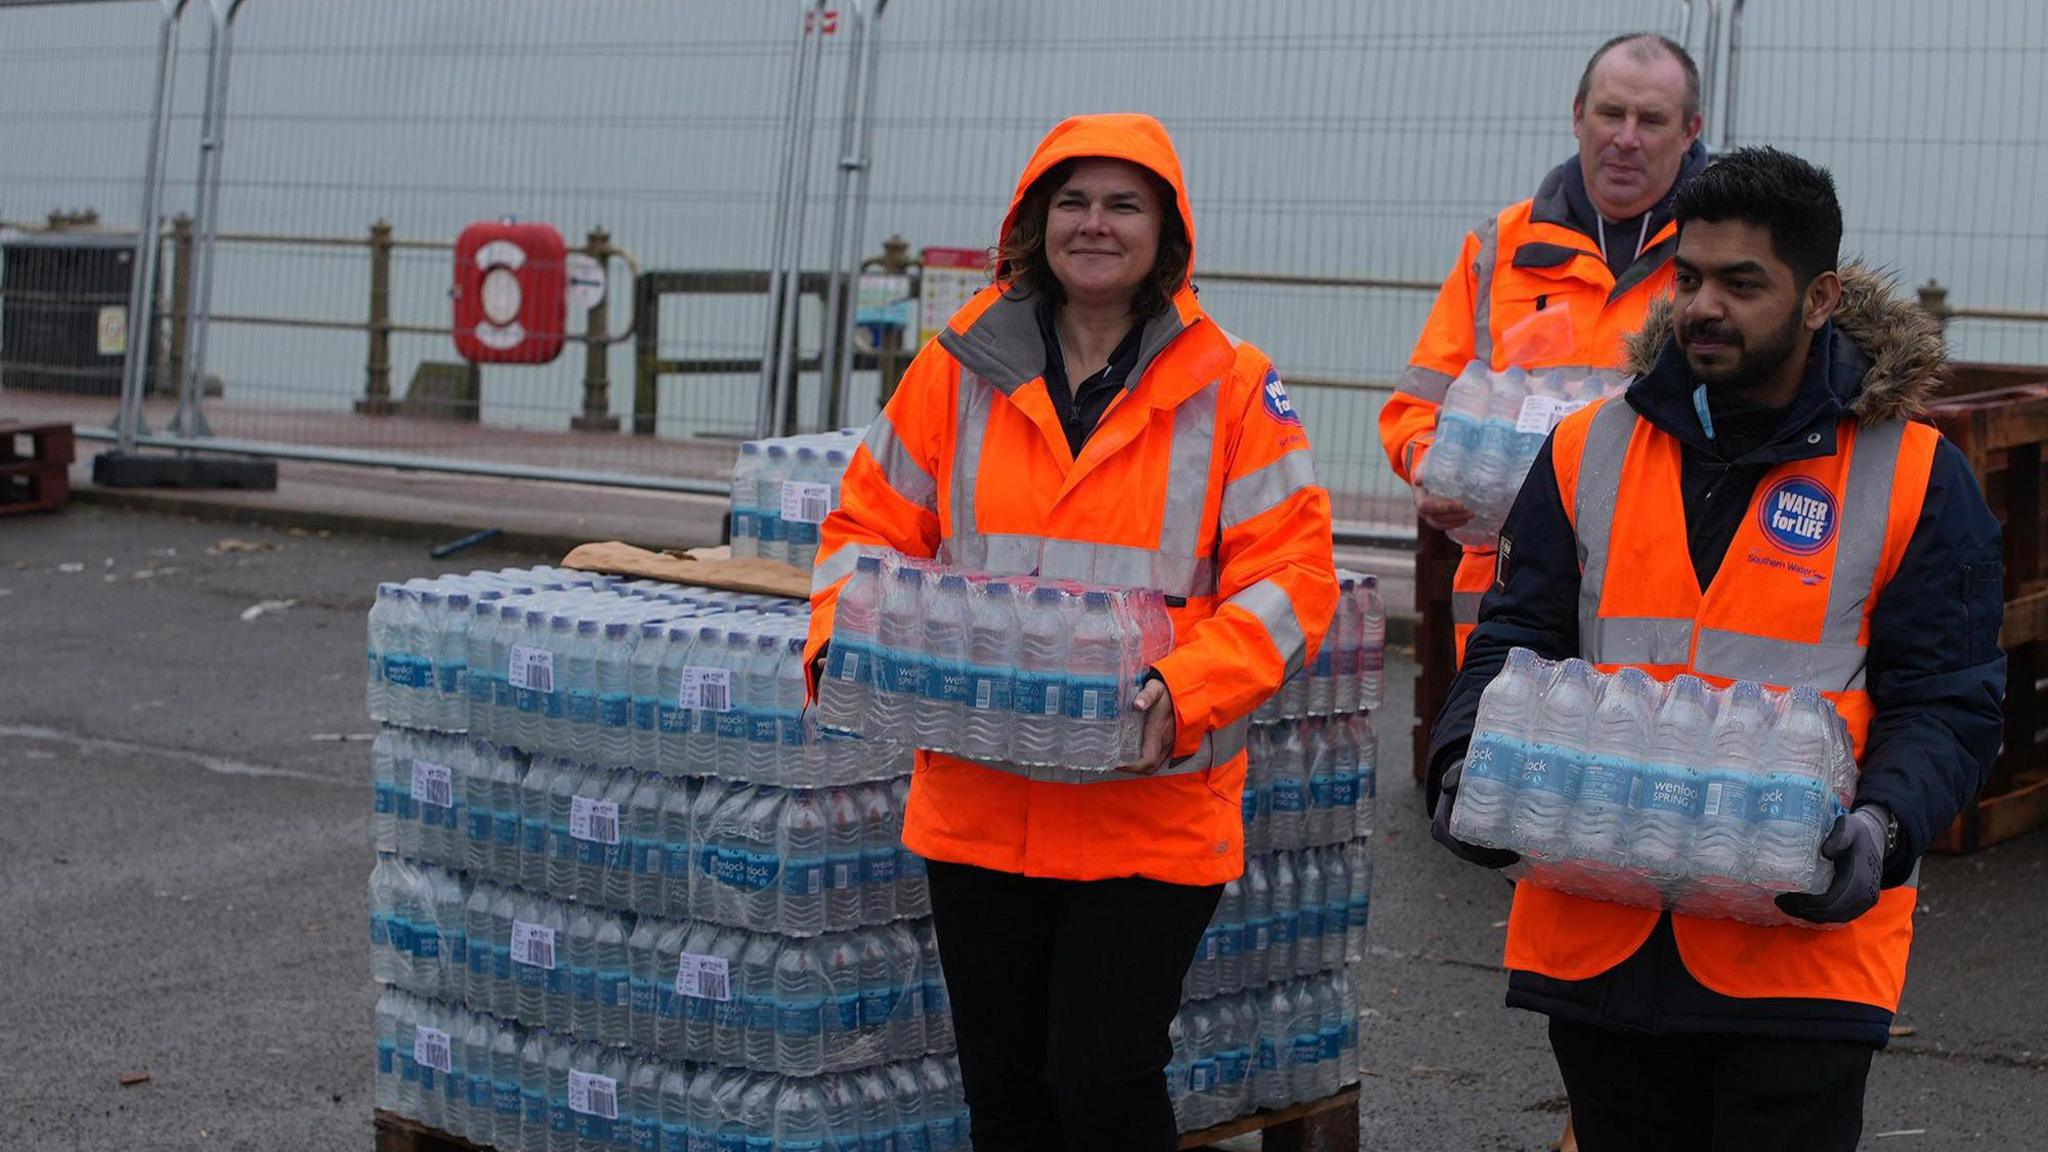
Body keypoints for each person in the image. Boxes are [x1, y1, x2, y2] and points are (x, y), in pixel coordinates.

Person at [1426, 147, 2007, 1151]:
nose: (1702, 306)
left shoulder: (1913, 474)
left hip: (1797, 950)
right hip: (1598, 929)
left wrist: (1879, 829)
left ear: (1816, 296)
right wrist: (1458, 757)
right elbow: (1519, 632)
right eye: (1687, 278)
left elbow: (1946, 701)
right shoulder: (1585, 446)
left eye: (1741, 284)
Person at [803, 113, 1338, 1152]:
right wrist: (838, 637)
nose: (1094, 225)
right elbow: (862, 525)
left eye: (1122, 205)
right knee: (1005, 1100)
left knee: (1100, 1081)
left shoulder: (1229, 386)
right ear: (1033, 222)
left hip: (1149, 802)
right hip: (979, 798)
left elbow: (1290, 576)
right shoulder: (955, 367)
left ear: (1165, 231)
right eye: (1072, 203)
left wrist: (1191, 687)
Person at [1380, 33, 1710, 663]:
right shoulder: (1500, 247)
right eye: (1611, 113)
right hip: (1509, 591)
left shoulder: (1720, 255)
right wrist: (1432, 467)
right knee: (1496, 760)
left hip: (1663, 593)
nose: (1626, 137)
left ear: (1691, 129)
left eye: (1652, 120)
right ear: (1577, 113)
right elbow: (1416, 405)